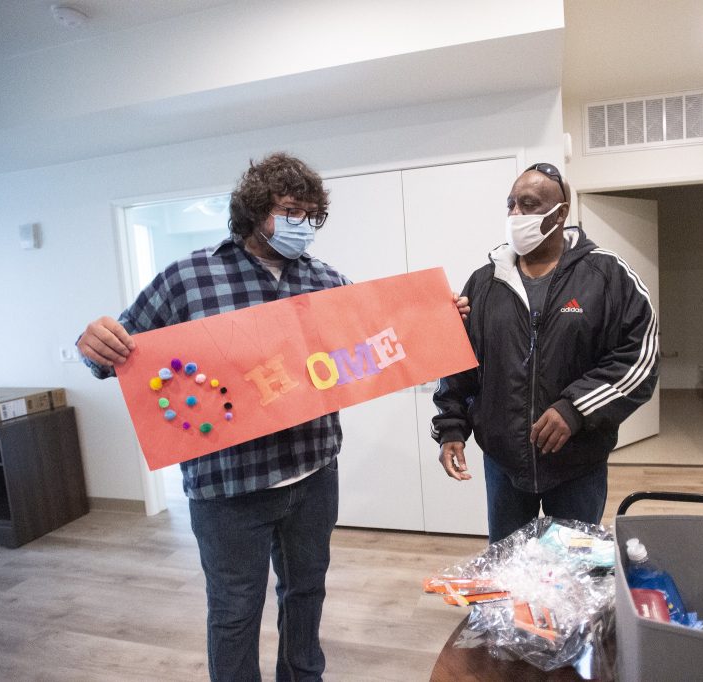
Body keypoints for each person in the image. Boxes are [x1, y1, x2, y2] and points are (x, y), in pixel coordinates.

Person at [77, 152, 468, 681]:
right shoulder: (187, 278)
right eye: (290, 211)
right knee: (235, 612)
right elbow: (115, 354)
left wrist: (438, 319)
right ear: (256, 211)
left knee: (306, 593)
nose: (303, 225)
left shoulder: (328, 281)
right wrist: (92, 345)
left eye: (312, 215)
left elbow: (377, 341)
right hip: (228, 488)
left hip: (312, 472)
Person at [431, 162, 659, 544]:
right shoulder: (485, 282)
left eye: (529, 204)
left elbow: (640, 359)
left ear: (561, 212)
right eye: (511, 205)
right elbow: (460, 363)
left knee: (570, 575)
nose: (516, 215)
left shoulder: (607, 275)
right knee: (506, 570)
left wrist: (575, 408)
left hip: (577, 465)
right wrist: (451, 427)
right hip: (504, 466)